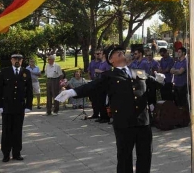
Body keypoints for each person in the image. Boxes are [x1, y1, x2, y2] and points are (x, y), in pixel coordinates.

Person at [55, 45, 165, 173]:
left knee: (145, 156)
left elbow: (154, 84)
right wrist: (72, 92)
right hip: (124, 123)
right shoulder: (109, 75)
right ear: (110, 60)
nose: (120, 52)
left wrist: (160, 80)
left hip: (143, 122)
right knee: (124, 159)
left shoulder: (139, 72)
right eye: (115, 53)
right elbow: (92, 86)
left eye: (121, 51)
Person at [0, 53, 33, 162]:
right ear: (11, 60)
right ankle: (6, 154)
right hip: (6, 106)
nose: (17, 61)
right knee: (7, 131)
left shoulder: (26, 72)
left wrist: (28, 105)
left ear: (22, 61)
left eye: (19, 59)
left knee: (17, 130)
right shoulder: (5, 71)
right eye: (15, 59)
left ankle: (16, 153)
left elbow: (29, 90)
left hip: (19, 107)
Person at [86, 50, 102, 119]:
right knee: (93, 98)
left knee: (99, 98)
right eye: (97, 54)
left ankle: (101, 113)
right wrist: (90, 80)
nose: (98, 55)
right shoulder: (92, 62)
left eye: (99, 54)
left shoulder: (102, 62)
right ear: (94, 54)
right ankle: (95, 113)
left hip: (99, 82)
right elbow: (89, 71)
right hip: (92, 81)